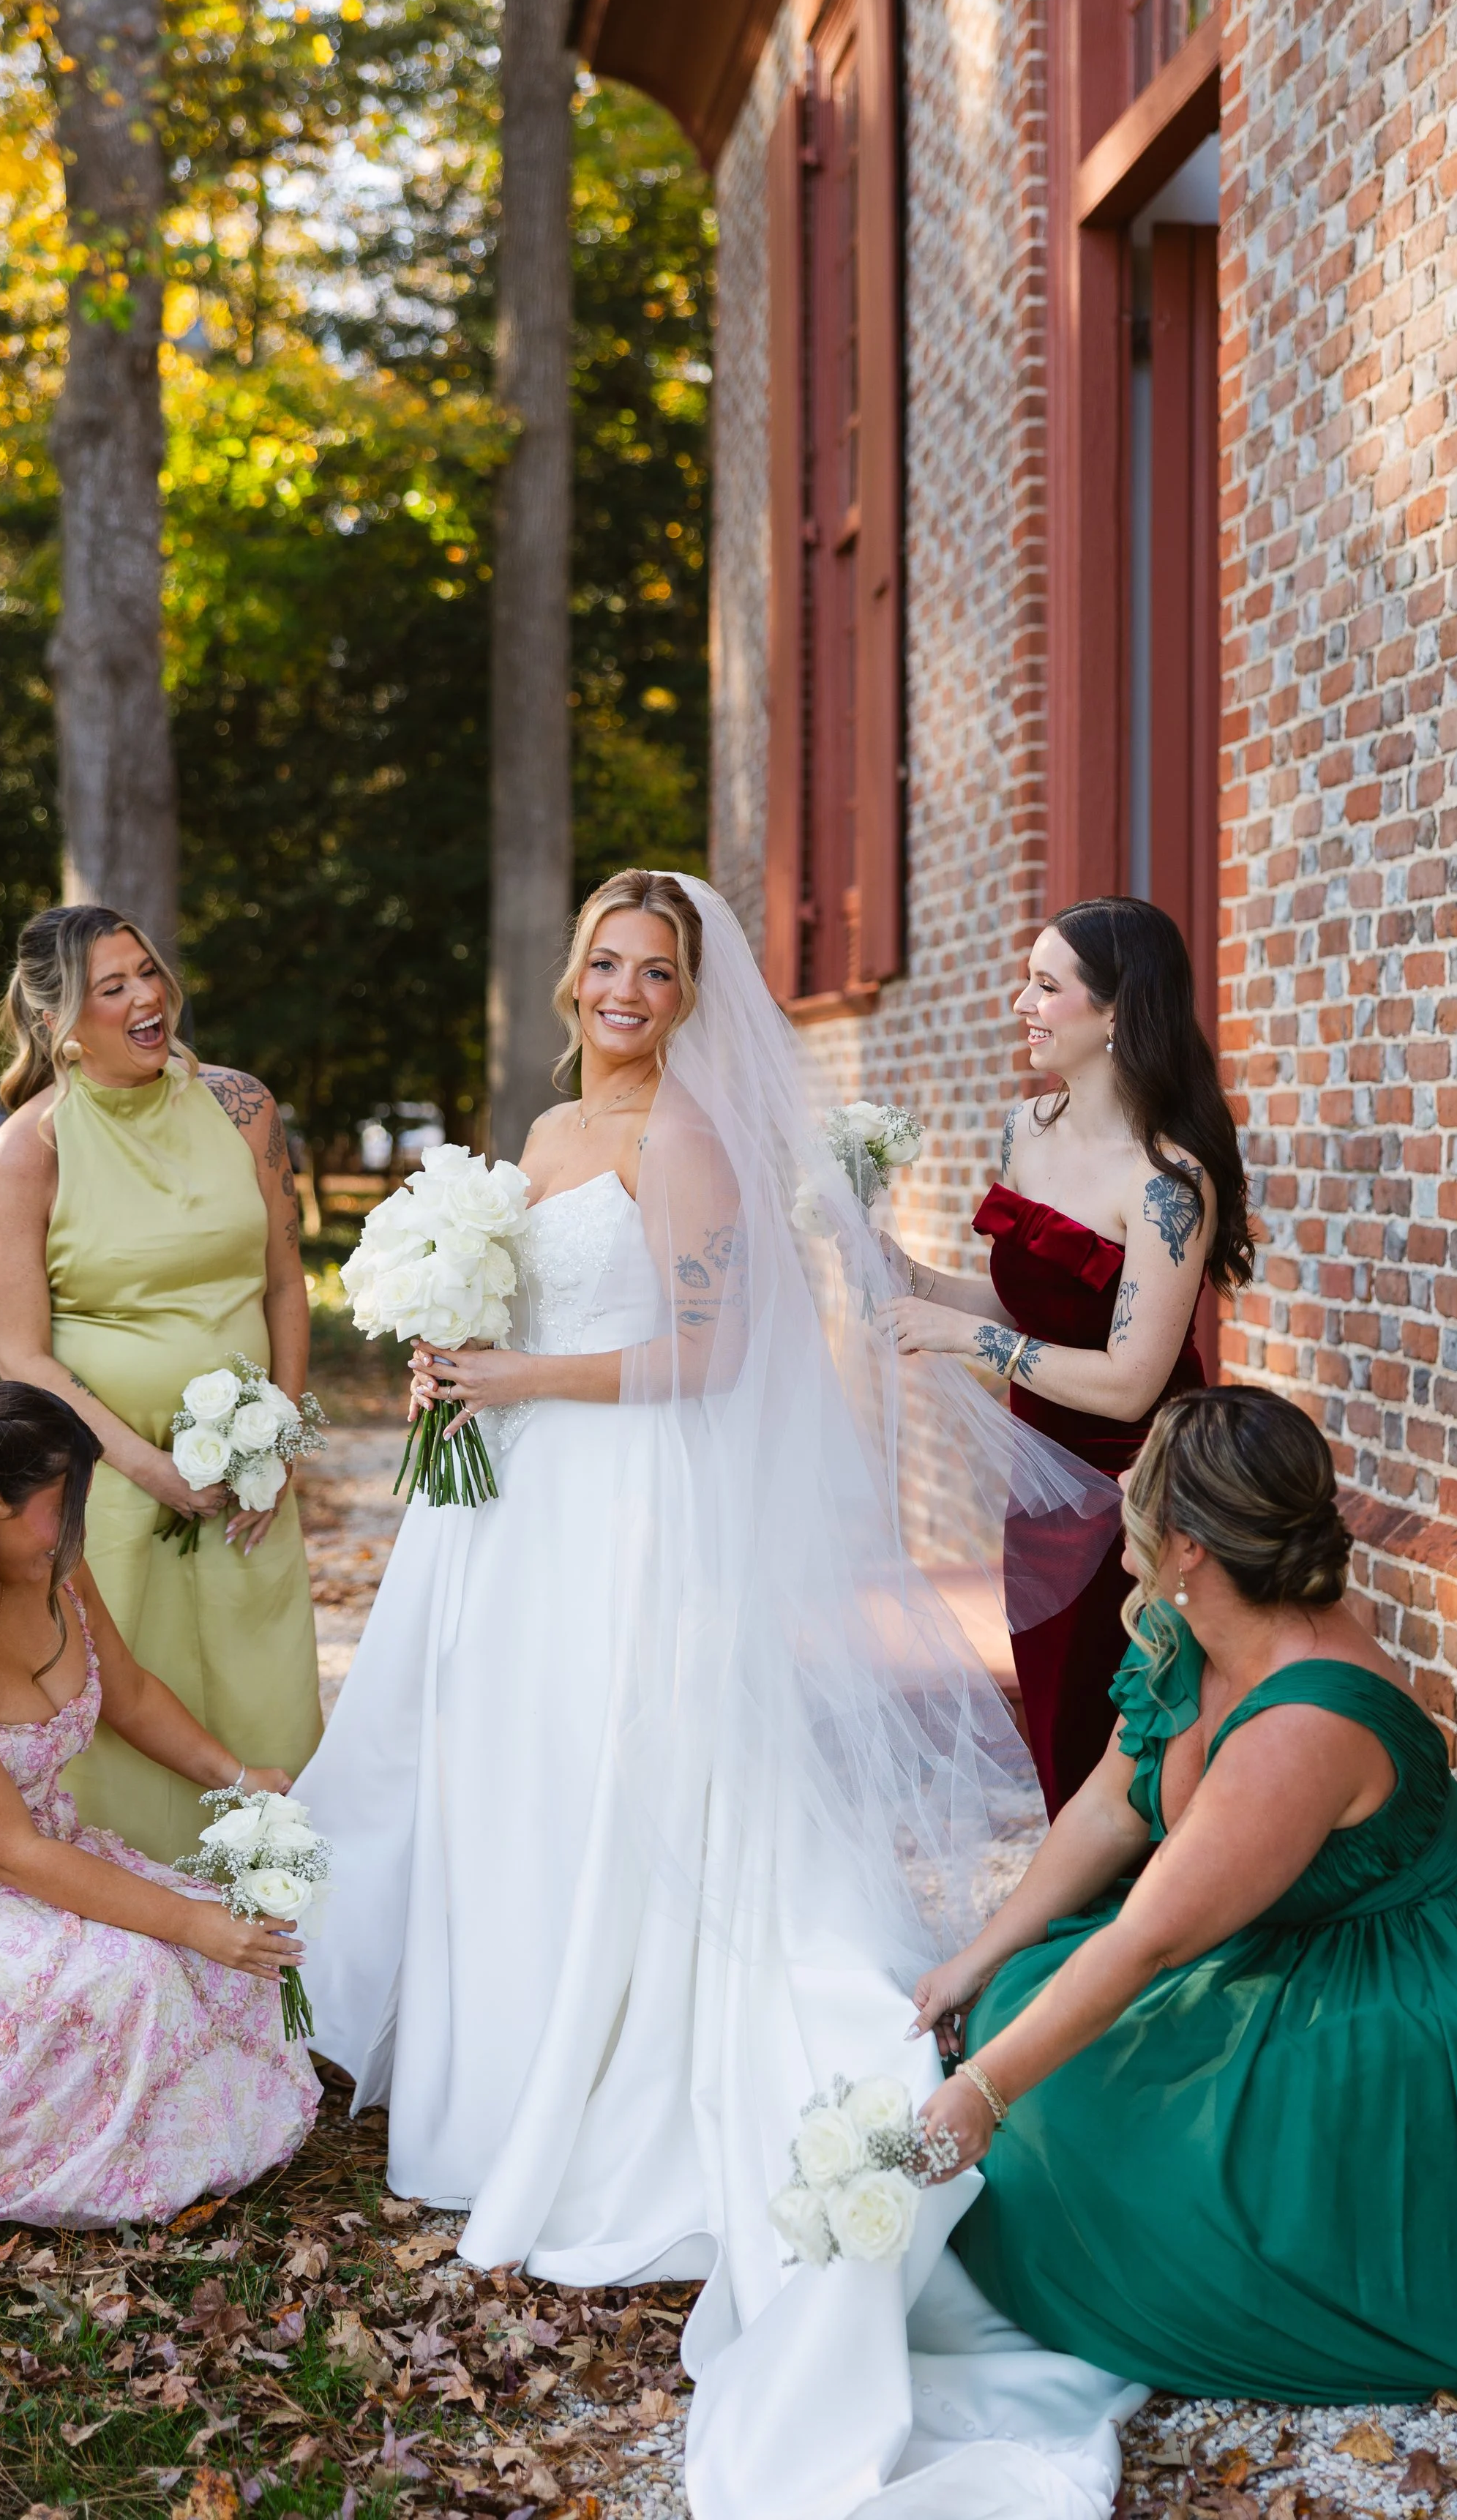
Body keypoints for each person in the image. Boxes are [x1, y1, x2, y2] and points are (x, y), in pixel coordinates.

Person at [296, 869, 1125, 2520]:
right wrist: (451, 1349)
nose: (622, 988)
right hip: (522, 1510)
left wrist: (513, 1372)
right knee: (515, 1787)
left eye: (653, 968)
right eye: (602, 960)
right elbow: (528, 1309)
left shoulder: (686, 1140)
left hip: (631, 1523)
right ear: (571, 978)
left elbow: (706, 1360)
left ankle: (623, 2100)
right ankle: (511, 2068)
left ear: (689, 994)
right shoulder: (538, 1138)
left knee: (624, 1790)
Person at [902, 1386, 1457, 2417]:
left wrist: (985, 2095)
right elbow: (1110, 1806)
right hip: (1286, 1938)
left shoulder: (1301, 1723)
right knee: (1022, 2015)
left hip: (1411, 1988)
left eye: (1137, 1500)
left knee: (1084, 2124)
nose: (1115, 1507)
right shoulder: (1196, 1626)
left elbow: (1142, 1941)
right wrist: (984, 1951)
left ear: (1190, 1548)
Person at [0, 1383, 318, 2229]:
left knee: (231, 1934)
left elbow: (131, 1694)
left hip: (39, 1855)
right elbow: (9, 1853)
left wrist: (239, 1777)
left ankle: (196, 2144)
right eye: (62, 1510)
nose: (75, 1535)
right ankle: (69, 2167)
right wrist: (184, 1924)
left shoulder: (53, 1573)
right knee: (136, 1969)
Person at [883, 897, 1252, 1812]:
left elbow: (1129, 1385)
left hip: (1139, 1497)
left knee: (1125, 1740)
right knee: (1054, 1720)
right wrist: (909, 1279)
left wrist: (965, 1339)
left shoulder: (1169, 1181)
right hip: (1040, 1482)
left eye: (1047, 987)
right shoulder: (1025, 1131)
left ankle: (1136, 1930)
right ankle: (1071, 1932)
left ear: (1118, 1012)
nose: (1023, 1002)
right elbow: (1025, 1302)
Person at [0, 903, 321, 1864]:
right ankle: (148, 1944)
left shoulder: (243, 1105)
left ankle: (280, 1930)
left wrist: (280, 1439)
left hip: (250, 1480)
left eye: (148, 973)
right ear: (58, 1023)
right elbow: (24, 1357)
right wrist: (146, 1465)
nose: (145, 998)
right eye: (111, 986)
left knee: (265, 1694)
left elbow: (286, 1279)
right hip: (110, 1484)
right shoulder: (30, 1149)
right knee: (129, 1704)